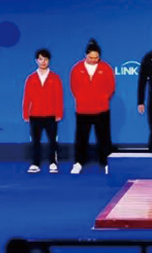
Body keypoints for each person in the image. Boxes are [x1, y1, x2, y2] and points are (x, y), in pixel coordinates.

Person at [69, 39, 115, 174]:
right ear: (85, 55)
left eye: (96, 58)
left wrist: (102, 99)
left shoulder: (106, 68)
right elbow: (74, 88)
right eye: (91, 57)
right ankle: (78, 163)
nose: (94, 60)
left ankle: (106, 163)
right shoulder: (77, 69)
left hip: (102, 110)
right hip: (83, 110)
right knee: (81, 138)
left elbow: (111, 87)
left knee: (104, 138)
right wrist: (82, 99)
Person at [22, 48, 64, 173]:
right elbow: (26, 97)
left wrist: (59, 113)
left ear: (49, 60)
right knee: (35, 141)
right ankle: (35, 163)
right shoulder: (31, 78)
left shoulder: (55, 78)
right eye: (40, 59)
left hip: (51, 115)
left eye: (45, 59)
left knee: (52, 141)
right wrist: (25, 113)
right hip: (35, 115)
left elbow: (59, 97)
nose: (43, 62)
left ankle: (53, 163)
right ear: (36, 60)